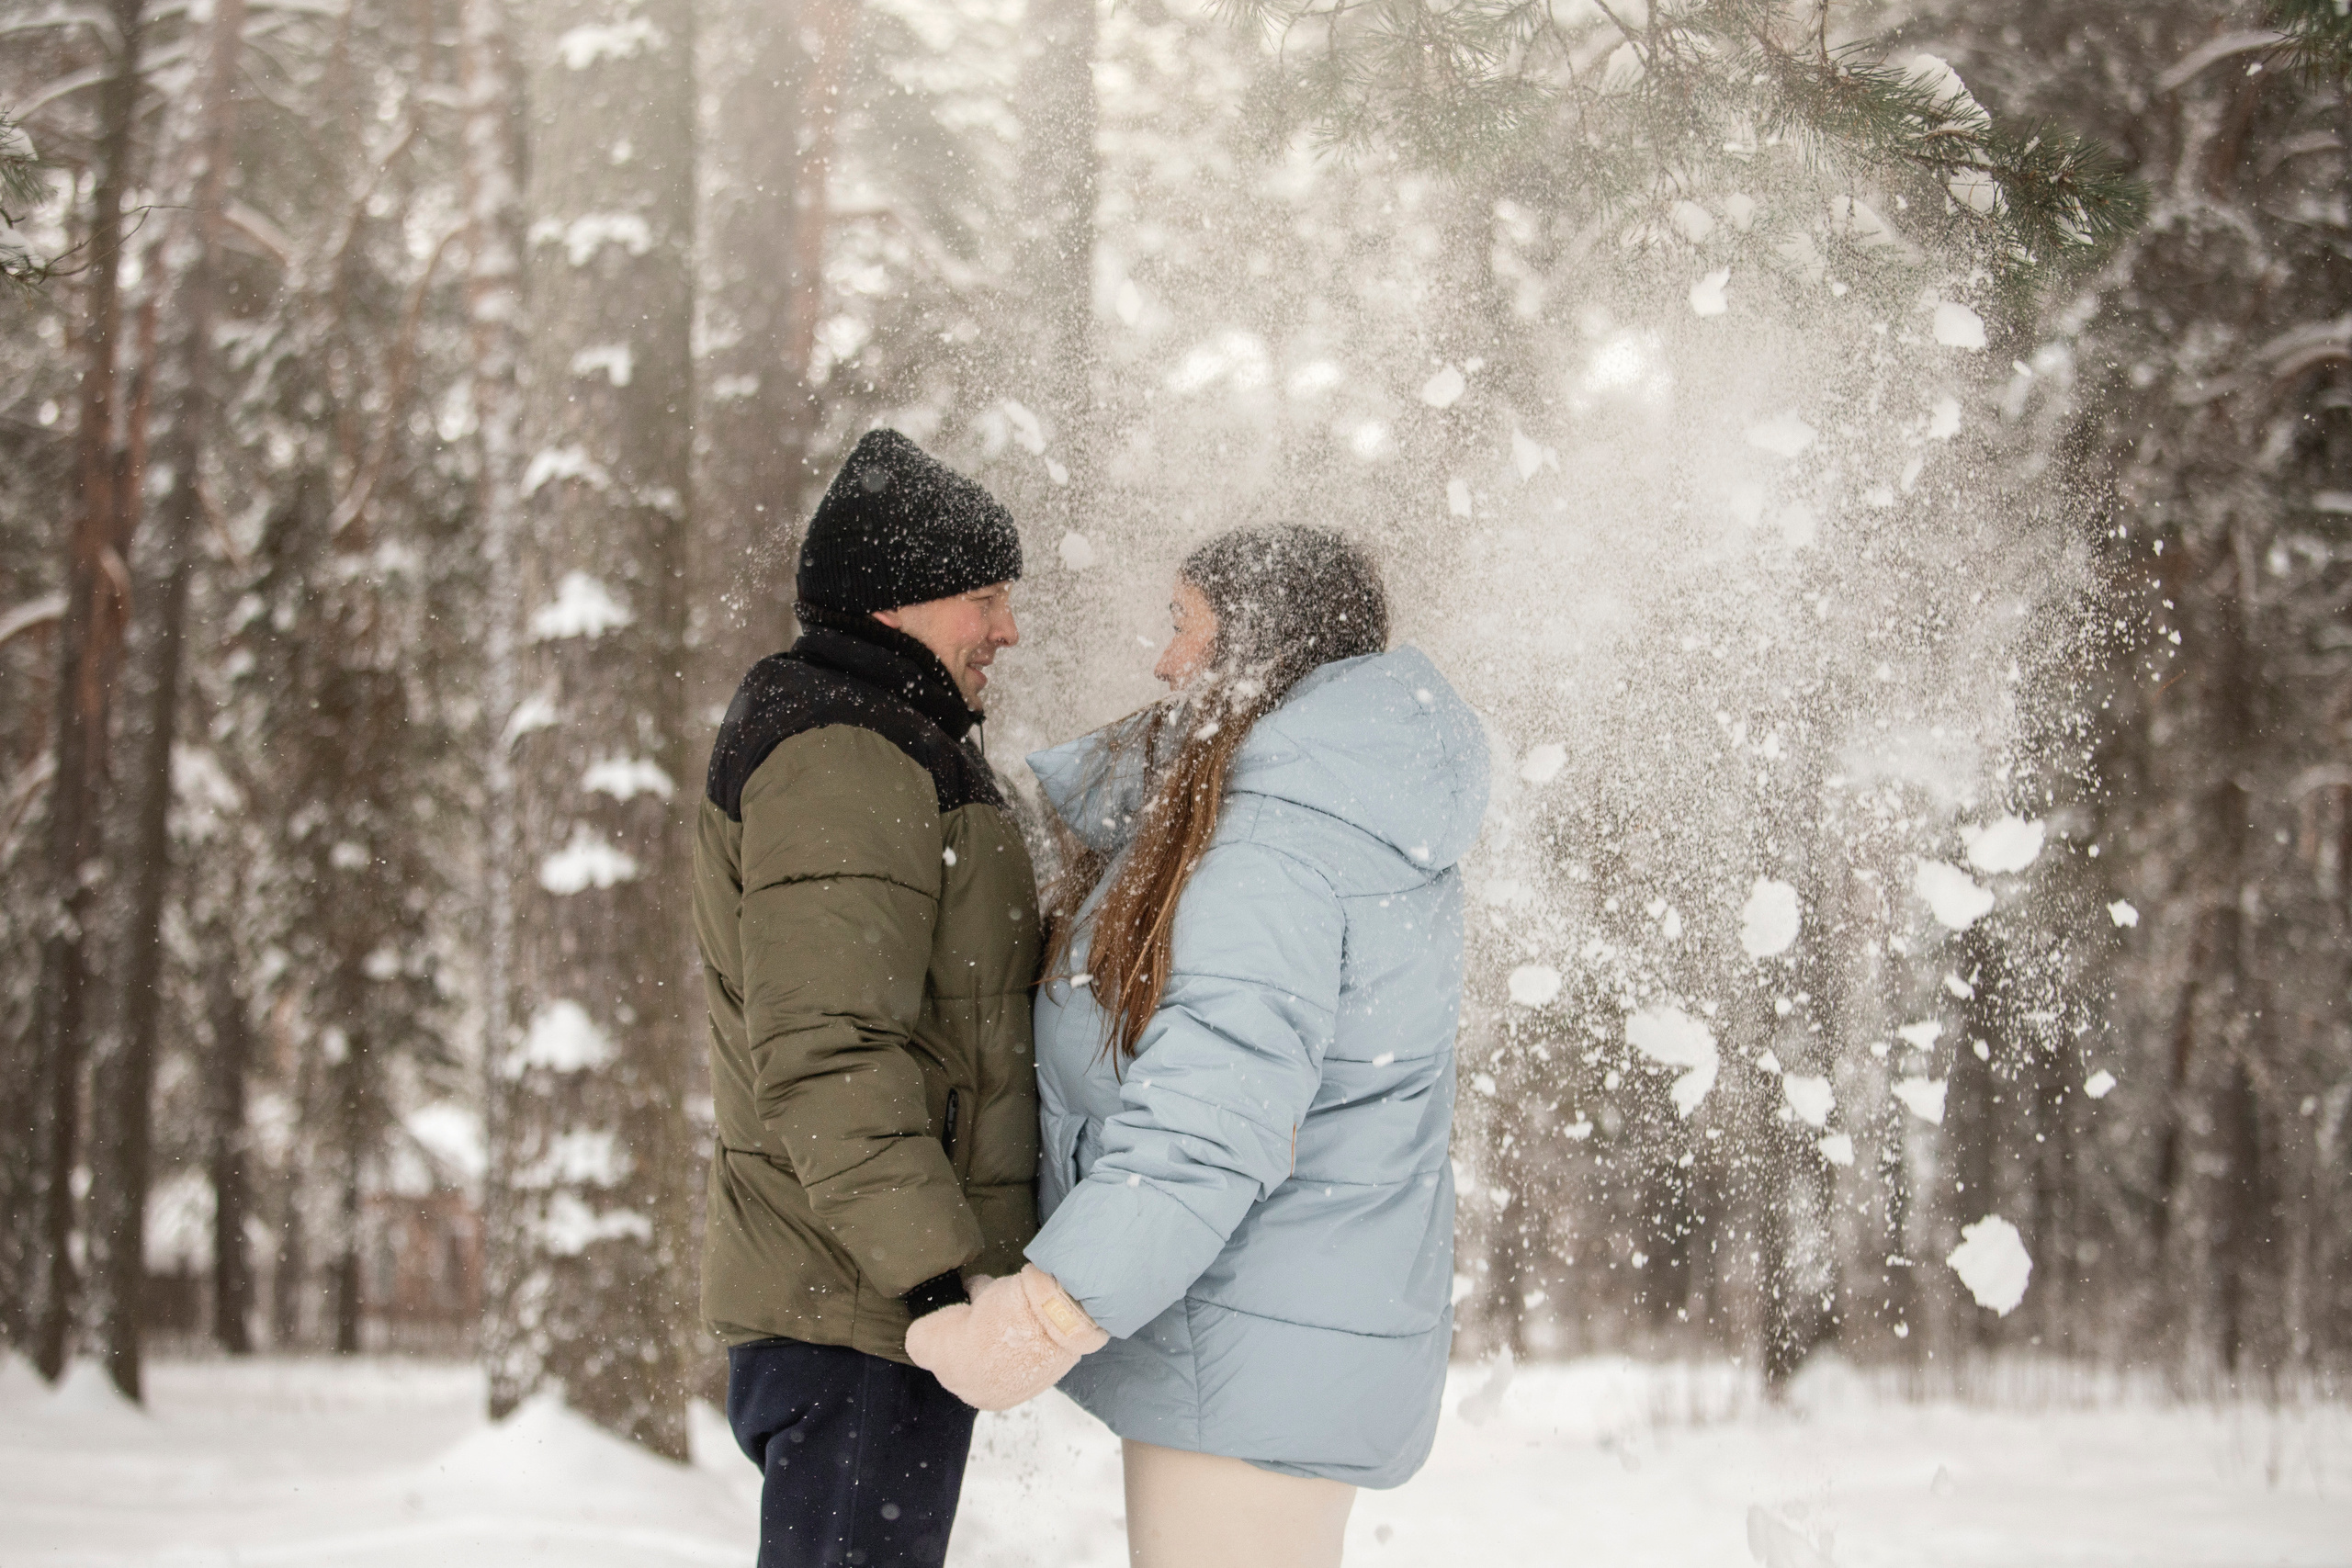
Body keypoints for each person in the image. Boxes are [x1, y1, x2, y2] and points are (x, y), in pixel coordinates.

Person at [909, 525, 1490, 1567]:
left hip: (1249, 1347)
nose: (1165, 660)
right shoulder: (1337, 815)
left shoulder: (1273, 851)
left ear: (1256, 651)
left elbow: (1209, 1127)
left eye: (1185, 626)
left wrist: (1046, 1314)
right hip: (1287, 1330)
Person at [694, 427, 1042, 1568]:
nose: (1006, 629)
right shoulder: (846, 751)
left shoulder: (893, 738)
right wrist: (934, 1282)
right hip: (861, 1302)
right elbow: (828, 1048)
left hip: (864, 1297)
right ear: (897, 601)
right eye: (984, 599)